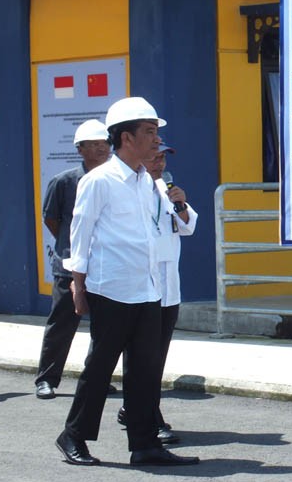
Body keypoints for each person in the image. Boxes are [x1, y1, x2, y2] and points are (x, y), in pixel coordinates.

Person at [54, 96, 199, 467]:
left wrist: (180, 205)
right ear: (125, 137)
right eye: (149, 132)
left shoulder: (146, 182)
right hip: (112, 289)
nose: (155, 140)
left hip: (148, 288)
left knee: (146, 369)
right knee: (100, 368)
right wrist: (78, 283)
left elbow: (175, 225)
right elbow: (80, 233)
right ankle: (73, 435)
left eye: (155, 132)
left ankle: (144, 444)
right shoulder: (99, 180)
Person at [117, 143, 197, 444]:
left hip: (167, 287)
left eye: (162, 158)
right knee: (142, 357)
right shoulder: (128, 190)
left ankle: (135, 409)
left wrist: (182, 204)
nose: (158, 163)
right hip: (139, 284)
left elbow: (187, 228)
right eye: (153, 157)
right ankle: (147, 416)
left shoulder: (168, 188)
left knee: (156, 356)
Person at [35, 119, 116, 400]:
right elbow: (52, 219)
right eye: (94, 145)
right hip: (70, 266)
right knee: (62, 324)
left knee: (104, 329)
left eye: (104, 144)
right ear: (80, 149)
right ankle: (46, 379)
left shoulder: (115, 179)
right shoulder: (64, 182)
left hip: (104, 266)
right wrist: (71, 248)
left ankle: (96, 379)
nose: (101, 149)